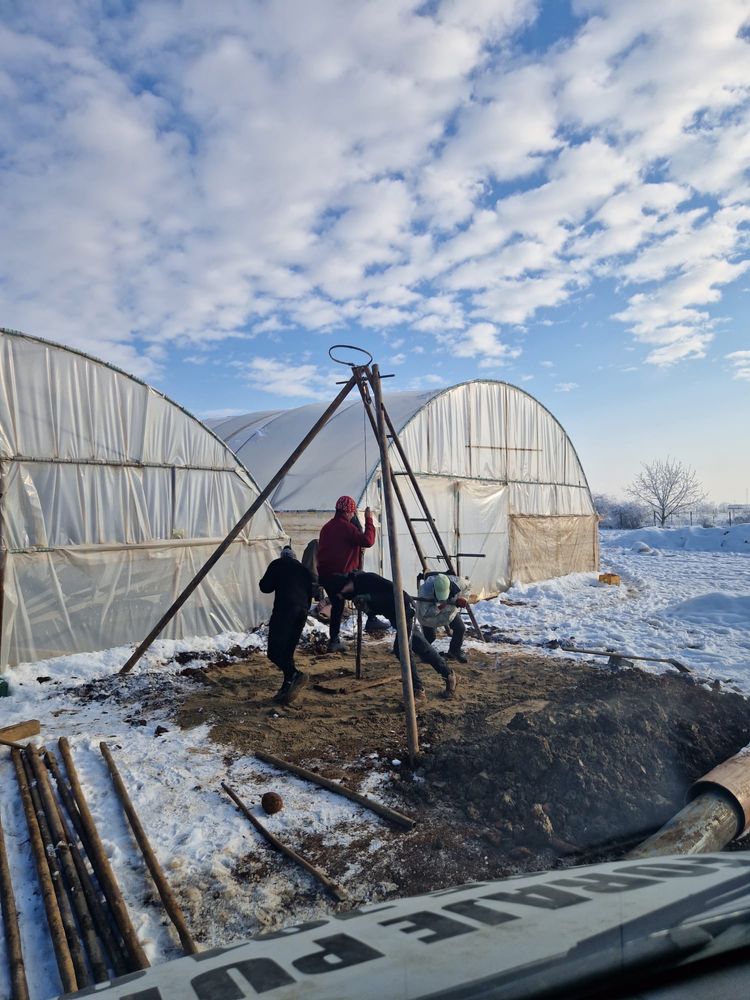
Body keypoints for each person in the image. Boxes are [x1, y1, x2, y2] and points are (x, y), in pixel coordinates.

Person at [338, 571, 458, 700]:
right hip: (395, 617)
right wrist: (369, 609)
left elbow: (394, 595)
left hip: (405, 611)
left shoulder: (367, 579)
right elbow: (379, 608)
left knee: (402, 651)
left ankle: (418, 690)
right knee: (421, 647)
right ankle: (449, 675)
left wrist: (371, 598)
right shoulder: (357, 591)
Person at [317, 496, 376, 652]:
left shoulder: (327, 527)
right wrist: (369, 520)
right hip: (340, 577)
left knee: (338, 605)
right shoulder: (346, 528)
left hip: (325, 576)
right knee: (368, 585)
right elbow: (368, 541)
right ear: (349, 512)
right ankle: (372, 618)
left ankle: (334, 640)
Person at [258, 545, 313, 704]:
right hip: (302, 612)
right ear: (294, 557)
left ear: (282, 556)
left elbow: (265, 587)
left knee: (273, 652)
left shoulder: (277, 564)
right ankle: (287, 686)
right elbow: (312, 594)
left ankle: (295, 674)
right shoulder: (304, 569)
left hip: (285, 610)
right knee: (287, 653)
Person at [416, 572, 470, 663]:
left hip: (449, 611)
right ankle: (422, 653)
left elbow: (468, 586)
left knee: (460, 628)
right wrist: (438, 608)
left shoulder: (459, 583)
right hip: (430, 617)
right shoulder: (424, 591)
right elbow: (425, 613)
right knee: (430, 637)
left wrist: (464, 598)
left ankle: (454, 651)